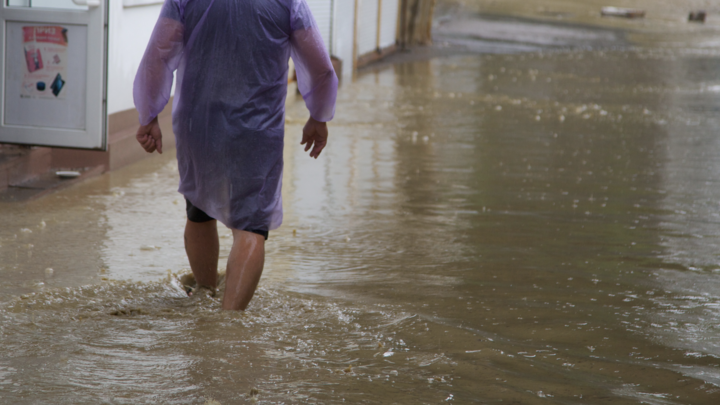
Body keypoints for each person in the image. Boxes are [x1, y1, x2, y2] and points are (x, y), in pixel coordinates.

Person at [133, 0, 338, 310]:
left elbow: (157, 57)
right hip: (256, 128)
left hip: (198, 122)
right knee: (251, 227)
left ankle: (205, 292)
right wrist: (319, 115)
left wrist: (148, 114)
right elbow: (320, 67)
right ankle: (229, 324)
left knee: (199, 210)